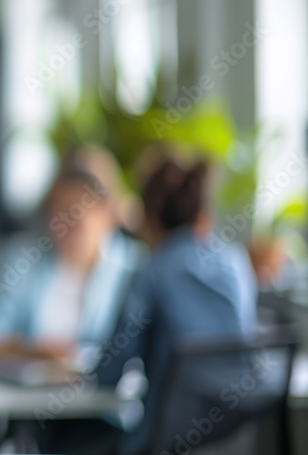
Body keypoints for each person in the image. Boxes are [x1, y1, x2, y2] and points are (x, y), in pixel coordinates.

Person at [95, 157, 258, 455]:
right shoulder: (236, 262)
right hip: (233, 441)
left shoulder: (153, 272)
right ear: (202, 214)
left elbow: (110, 372)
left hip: (161, 442)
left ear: (149, 216)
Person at [0, 148, 144, 362]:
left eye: (77, 219)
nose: (64, 229)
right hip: (22, 389)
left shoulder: (133, 267)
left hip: (100, 392)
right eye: (58, 216)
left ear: (106, 217)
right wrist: (33, 352)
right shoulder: (21, 259)